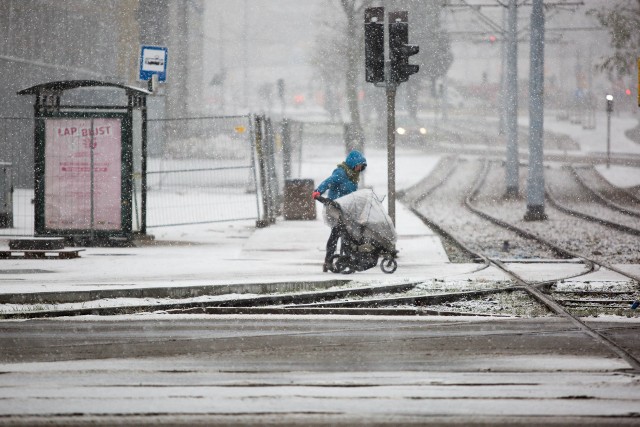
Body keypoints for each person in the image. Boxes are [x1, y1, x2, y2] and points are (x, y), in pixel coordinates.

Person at [312, 150, 367, 272]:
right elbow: (328, 181)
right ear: (353, 163)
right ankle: (333, 260)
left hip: (344, 208)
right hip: (334, 207)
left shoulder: (353, 176)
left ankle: (338, 259)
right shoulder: (341, 173)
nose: (359, 168)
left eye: (361, 167)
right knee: (340, 231)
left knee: (342, 233)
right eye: (359, 165)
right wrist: (318, 191)